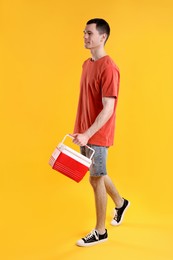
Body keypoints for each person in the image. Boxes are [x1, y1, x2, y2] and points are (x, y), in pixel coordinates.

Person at [72, 18, 130, 247]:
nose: (85, 37)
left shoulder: (109, 67)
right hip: (84, 131)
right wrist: (80, 131)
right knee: (98, 173)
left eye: (89, 33)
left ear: (102, 37)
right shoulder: (87, 64)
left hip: (96, 134)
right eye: (84, 33)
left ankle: (100, 231)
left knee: (95, 179)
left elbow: (108, 108)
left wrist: (88, 134)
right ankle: (121, 202)